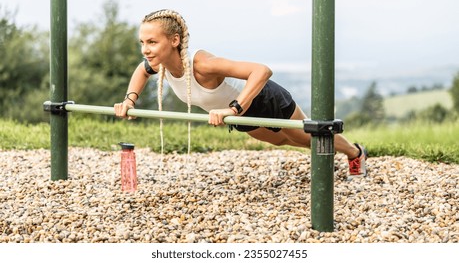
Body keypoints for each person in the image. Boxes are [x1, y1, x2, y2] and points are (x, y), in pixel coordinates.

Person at [114, 9, 367, 176]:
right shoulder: (160, 63)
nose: (145, 49)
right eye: (143, 42)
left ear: (175, 40)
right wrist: (129, 100)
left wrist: (232, 109)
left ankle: (356, 153)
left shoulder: (201, 64)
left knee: (305, 138)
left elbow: (262, 71)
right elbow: (141, 71)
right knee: (282, 141)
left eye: (152, 42)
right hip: (241, 114)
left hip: (264, 98)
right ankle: (342, 152)